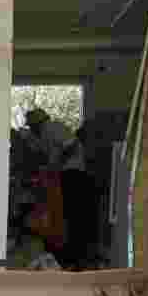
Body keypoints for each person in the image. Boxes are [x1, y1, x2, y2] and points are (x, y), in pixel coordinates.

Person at [25, 108, 95, 268]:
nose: (31, 129)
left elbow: (71, 145)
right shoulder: (42, 135)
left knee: (72, 216)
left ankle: (75, 258)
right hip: (63, 175)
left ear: (38, 122)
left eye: (31, 126)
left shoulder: (53, 127)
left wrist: (57, 163)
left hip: (73, 174)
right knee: (64, 216)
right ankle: (66, 255)